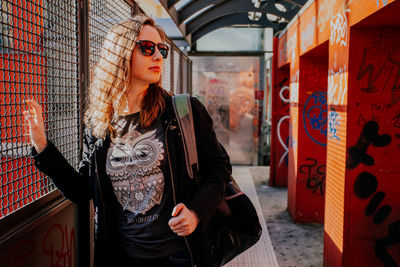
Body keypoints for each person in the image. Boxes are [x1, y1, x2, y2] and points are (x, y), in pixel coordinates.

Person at [23, 15, 232, 267]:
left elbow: (219, 169)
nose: (157, 56)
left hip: (179, 255)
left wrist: (197, 211)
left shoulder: (182, 111)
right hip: (121, 257)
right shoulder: (98, 124)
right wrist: (43, 147)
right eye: (146, 48)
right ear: (119, 53)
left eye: (161, 50)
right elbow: (82, 190)